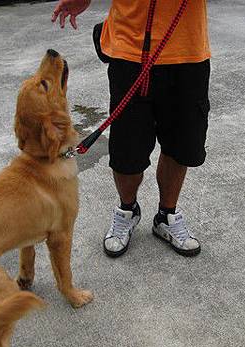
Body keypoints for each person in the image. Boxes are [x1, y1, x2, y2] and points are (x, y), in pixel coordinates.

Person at [51, 0, 210, 257]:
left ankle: (166, 215)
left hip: (187, 49)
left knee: (182, 144)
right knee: (127, 148)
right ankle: (127, 210)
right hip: (130, 48)